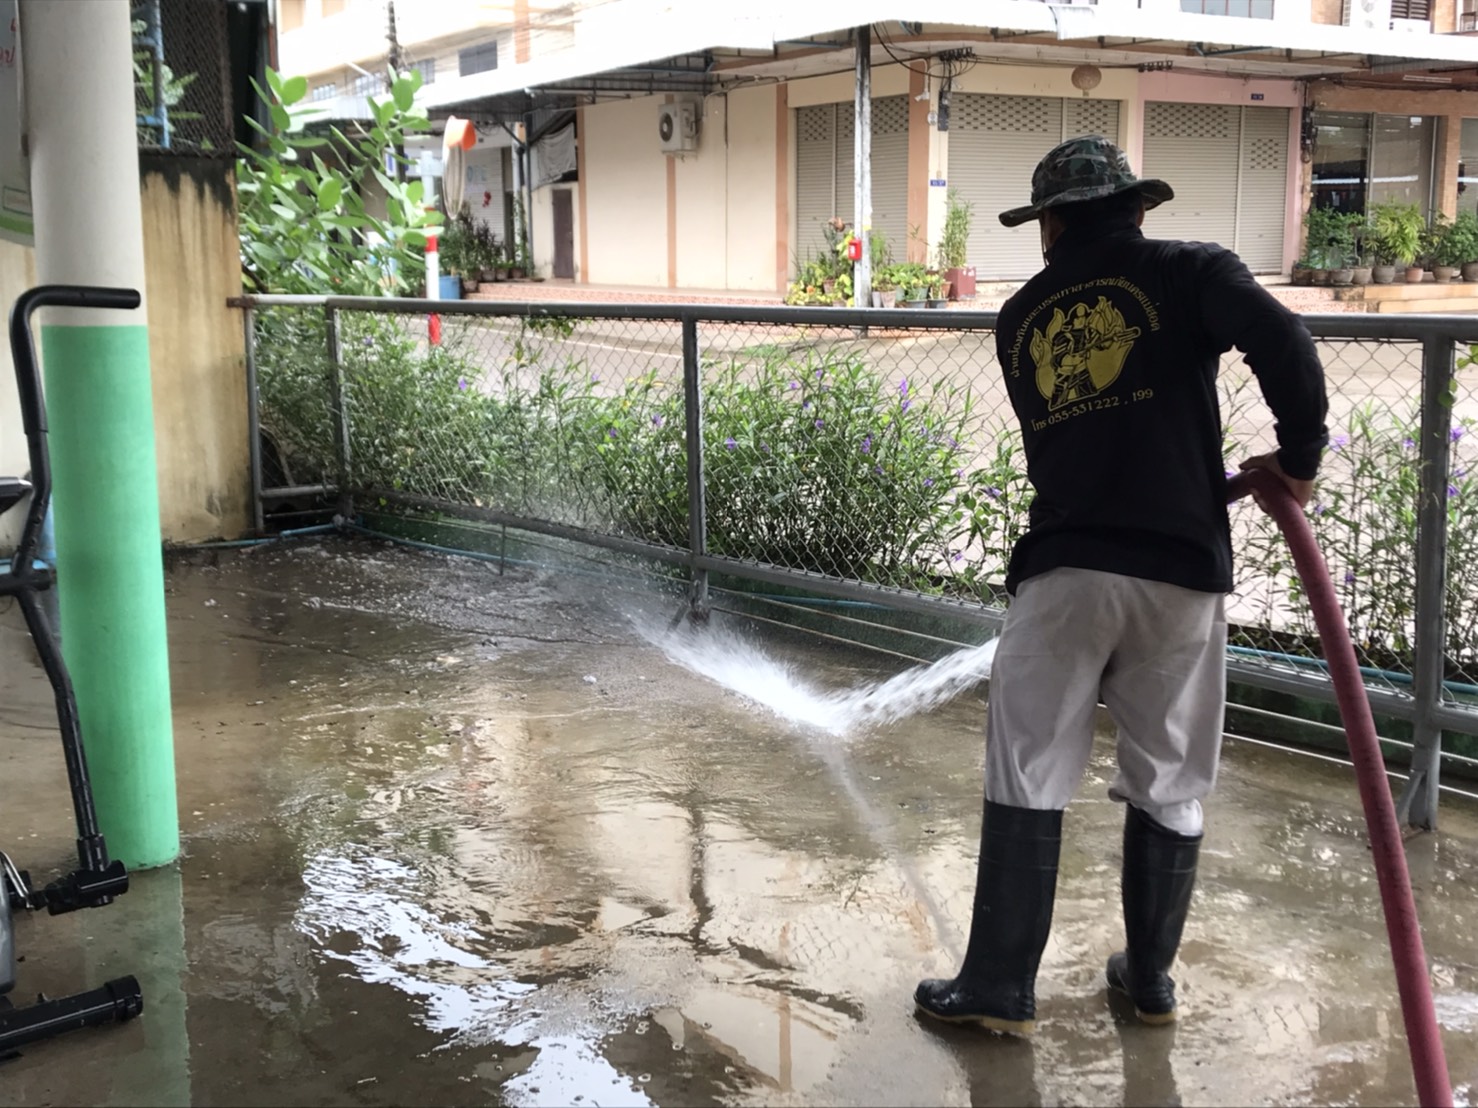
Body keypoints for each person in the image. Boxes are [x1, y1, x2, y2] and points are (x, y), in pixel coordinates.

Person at [914, 135, 1329, 1034]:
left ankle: (998, 989)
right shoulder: (1189, 270)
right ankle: (1148, 983)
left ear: (1051, 224)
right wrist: (1298, 459)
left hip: (1066, 568)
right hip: (1181, 567)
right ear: (1137, 207)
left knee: (1029, 764)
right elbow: (1283, 341)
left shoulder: (1020, 316)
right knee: (1170, 773)